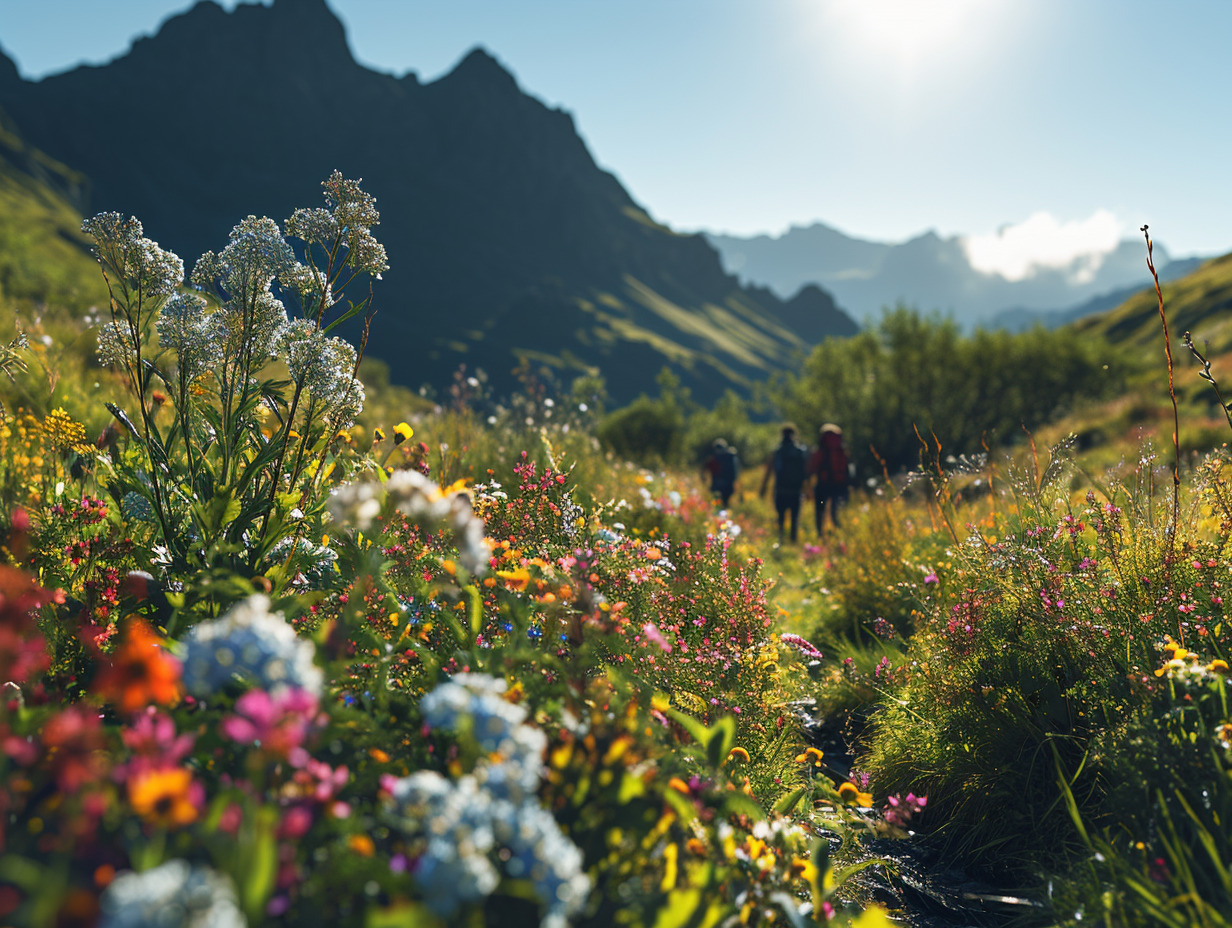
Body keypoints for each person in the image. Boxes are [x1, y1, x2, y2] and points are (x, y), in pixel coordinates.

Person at [759, 425, 808, 544]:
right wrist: (808, 489)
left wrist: (763, 488)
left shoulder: (778, 451)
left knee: (781, 517)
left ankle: (780, 540)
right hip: (796, 491)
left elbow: (769, 470)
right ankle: (793, 542)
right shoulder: (800, 452)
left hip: (781, 489)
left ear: (782, 435)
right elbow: (805, 472)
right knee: (794, 518)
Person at [808, 423, 850, 539]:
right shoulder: (842, 450)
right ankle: (839, 534)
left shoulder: (820, 450)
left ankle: (820, 534)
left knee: (820, 510)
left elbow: (812, 468)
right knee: (836, 511)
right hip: (839, 484)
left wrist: (808, 483)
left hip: (823, 484)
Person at [702, 438, 740, 508]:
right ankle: (722, 515)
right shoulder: (730, 457)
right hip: (726, 485)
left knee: (718, 503)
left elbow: (705, 468)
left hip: (719, 485)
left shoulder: (715, 458)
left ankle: (719, 515)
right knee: (722, 503)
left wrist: (703, 478)